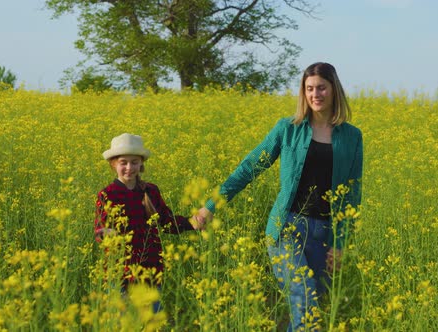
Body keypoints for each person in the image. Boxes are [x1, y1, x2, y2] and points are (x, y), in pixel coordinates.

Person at [197, 62, 363, 331]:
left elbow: (353, 194)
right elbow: (250, 166)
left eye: (321, 88)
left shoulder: (352, 137)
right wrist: (211, 205)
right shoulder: (288, 128)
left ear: (334, 90)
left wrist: (341, 242)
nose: (315, 94)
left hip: (324, 234)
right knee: (305, 305)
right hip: (287, 228)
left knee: (307, 313)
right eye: (309, 89)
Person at [95, 133, 203, 312]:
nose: (129, 167)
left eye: (134, 162)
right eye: (124, 162)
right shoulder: (107, 194)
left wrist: (191, 223)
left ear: (141, 163)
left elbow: (166, 221)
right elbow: (100, 229)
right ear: (113, 164)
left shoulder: (150, 191)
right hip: (120, 272)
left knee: (152, 321)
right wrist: (107, 235)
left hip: (151, 270)